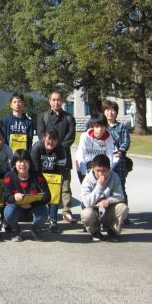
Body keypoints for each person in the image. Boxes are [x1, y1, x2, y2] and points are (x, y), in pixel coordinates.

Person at [36, 90, 76, 223]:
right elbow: (42, 134)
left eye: (58, 100)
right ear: (49, 101)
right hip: (46, 158)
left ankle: (66, 211)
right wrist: (50, 148)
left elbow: (70, 137)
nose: (56, 102)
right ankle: (47, 212)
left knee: (65, 185)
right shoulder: (43, 116)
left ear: (63, 101)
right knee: (47, 185)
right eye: (53, 100)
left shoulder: (69, 118)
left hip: (64, 156)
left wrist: (58, 148)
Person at [3, 150, 51, 242]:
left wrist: (32, 203)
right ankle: (16, 230)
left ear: (29, 163)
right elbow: (6, 197)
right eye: (19, 161)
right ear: (14, 163)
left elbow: (47, 196)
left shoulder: (37, 176)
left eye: (25, 161)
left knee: (44, 211)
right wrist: (14, 197)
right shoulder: (9, 176)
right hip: (17, 209)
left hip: (34, 209)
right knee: (8, 211)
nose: (23, 164)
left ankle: (36, 230)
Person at [80, 154, 128, 242]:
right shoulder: (87, 180)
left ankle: (113, 231)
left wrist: (108, 200)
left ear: (109, 169)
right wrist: (99, 186)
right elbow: (86, 202)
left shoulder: (114, 177)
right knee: (86, 213)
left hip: (108, 210)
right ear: (93, 168)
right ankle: (94, 232)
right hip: (94, 211)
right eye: (98, 170)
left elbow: (121, 196)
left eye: (104, 171)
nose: (100, 174)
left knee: (123, 207)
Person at [31, 130, 66, 232]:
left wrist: (58, 179)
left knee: (54, 197)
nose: (51, 142)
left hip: (54, 175)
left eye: (54, 140)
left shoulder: (60, 149)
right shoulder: (36, 147)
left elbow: (62, 166)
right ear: (43, 139)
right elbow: (35, 168)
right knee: (39, 197)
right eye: (49, 139)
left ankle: (53, 220)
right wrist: (40, 181)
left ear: (57, 141)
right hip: (39, 174)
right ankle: (38, 220)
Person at [102, 100, 131, 219]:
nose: (110, 112)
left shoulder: (122, 127)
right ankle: (107, 214)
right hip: (106, 162)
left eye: (113, 110)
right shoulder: (102, 127)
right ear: (104, 112)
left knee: (121, 187)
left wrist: (121, 151)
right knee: (105, 188)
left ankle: (123, 214)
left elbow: (126, 141)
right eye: (107, 110)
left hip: (120, 162)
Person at [75, 113, 115, 182]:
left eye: (102, 126)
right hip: (85, 165)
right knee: (88, 189)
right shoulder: (85, 137)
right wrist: (85, 175)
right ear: (92, 127)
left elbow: (110, 157)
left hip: (100, 166)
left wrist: (107, 173)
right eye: (97, 126)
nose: (100, 129)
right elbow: (81, 157)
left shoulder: (109, 138)